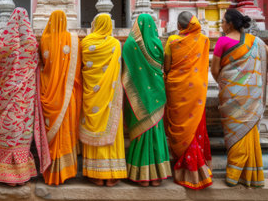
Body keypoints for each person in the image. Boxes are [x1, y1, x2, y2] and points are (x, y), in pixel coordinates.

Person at [211, 9, 268, 187]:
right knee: (247, 131)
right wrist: (251, 72)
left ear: (229, 24)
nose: (221, 25)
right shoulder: (255, 41)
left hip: (231, 94)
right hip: (251, 96)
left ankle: (233, 174)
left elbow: (214, 70)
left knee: (234, 133)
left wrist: (226, 82)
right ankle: (250, 176)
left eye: (222, 21)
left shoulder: (223, 41)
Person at [0, 8, 50, 186]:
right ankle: (20, 174)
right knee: (23, 131)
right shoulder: (32, 44)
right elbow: (36, 63)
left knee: (8, 132)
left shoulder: (5, 44)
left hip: (7, 95)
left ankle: (7, 175)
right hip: (25, 97)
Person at [164, 11, 212, 190]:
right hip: (197, 89)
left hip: (177, 87)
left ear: (178, 26)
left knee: (180, 126)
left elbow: (167, 65)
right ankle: (198, 168)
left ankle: (185, 168)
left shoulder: (172, 41)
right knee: (195, 126)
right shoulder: (204, 40)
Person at [122, 14, 172, 187]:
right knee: (156, 130)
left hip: (138, 97)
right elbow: (165, 67)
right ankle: (158, 175)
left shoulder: (129, 45)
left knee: (141, 131)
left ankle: (140, 174)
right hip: (156, 94)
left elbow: (126, 73)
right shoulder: (158, 44)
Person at [80, 13, 127, 187]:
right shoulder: (115, 44)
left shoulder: (85, 42)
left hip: (92, 97)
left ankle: (96, 174)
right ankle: (112, 174)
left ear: (94, 25)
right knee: (111, 131)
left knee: (95, 128)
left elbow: (82, 67)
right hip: (110, 97)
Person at [40, 10, 83, 185]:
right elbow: (78, 69)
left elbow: (44, 66)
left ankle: (51, 171)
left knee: (52, 131)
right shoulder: (73, 40)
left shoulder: (44, 40)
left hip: (49, 92)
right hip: (67, 95)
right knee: (66, 132)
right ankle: (66, 171)